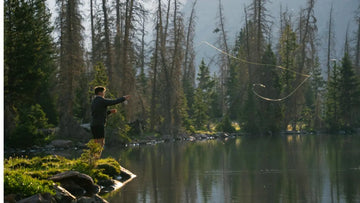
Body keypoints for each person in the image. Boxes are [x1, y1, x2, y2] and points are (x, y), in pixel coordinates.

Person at [90, 86, 130, 156]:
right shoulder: (101, 100)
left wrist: (109, 112)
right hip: (99, 124)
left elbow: (98, 113)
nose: (104, 94)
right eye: (103, 92)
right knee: (101, 142)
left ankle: (93, 157)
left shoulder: (94, 101)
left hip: (93, 124)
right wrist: (123, 98)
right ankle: (96, 158)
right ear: (100, 92)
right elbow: (113, 102)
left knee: (95, 141)